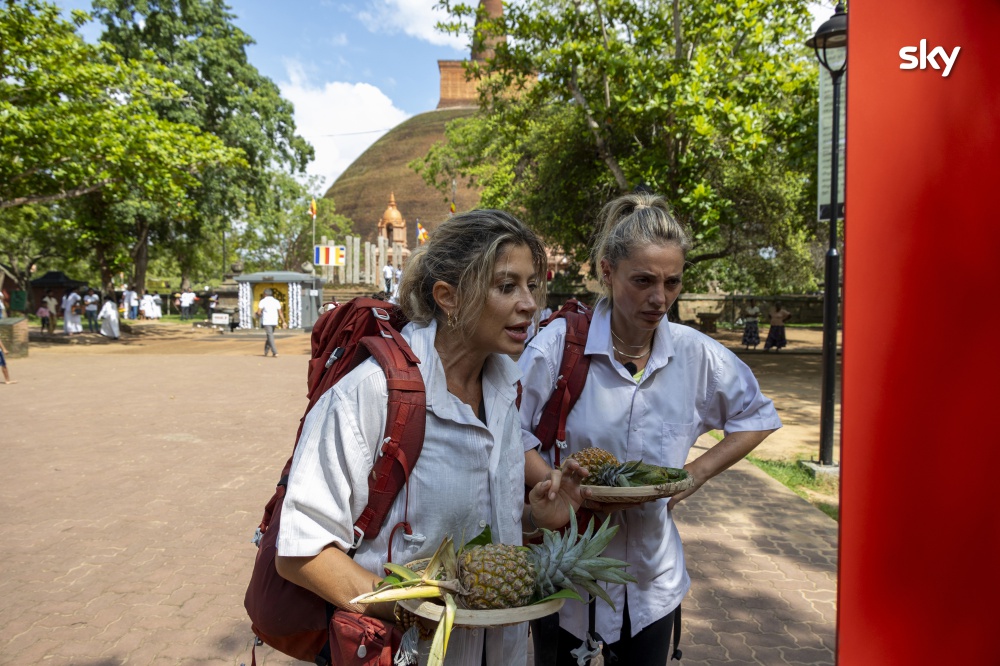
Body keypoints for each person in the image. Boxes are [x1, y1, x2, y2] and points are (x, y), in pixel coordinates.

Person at [275, 209, 583, 666]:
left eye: (532, 285)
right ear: (448, 297)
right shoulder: (373, 392)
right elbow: (301, 552)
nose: (530, 304)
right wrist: (409, 608)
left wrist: (534, 519)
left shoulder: (502, 389)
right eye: (506, 286)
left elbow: (479, 524)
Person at [518, 192, 782, 666]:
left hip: (652, 581)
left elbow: (757, 416)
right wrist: (552, 485)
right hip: (566, 575)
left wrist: (695, 474)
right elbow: (507, 427)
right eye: (642, 280)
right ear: (606, 272)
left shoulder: (695, 355)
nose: (659, 298)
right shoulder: (559, 345)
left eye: (672, 282)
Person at [256, 288, 285, 357]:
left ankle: (274, 352)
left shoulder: (263, 301)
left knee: (270, 336)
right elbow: (280, 312)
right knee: (270, 335)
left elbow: (259, 311)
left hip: (267, 321)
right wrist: (283, 321)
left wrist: (259, 315)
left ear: (265, 294)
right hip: (274, 320)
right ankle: (266, 351)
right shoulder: (276, 301)